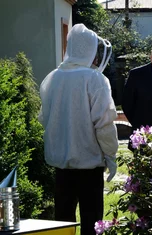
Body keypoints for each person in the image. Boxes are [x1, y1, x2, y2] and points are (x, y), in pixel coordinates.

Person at [38, 24, 118, 235]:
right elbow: (104, 124)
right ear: (90, 50)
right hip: (89, 167)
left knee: (63, 224)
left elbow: (43, 119)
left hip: (61, 167)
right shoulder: (96, 79)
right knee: (92, 222)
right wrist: (111, 155)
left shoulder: (52, 78)